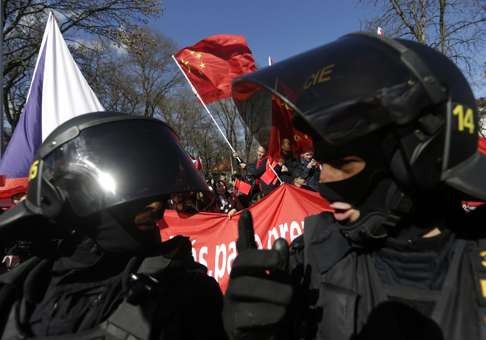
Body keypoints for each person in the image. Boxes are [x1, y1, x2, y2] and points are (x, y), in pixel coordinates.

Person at [225, 32, 486, 339]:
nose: (322, 182)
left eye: (343, 162)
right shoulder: (310, 260)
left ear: (421, 160)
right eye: (321, 163)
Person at [0, 112, 226, 339]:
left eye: (159, 189)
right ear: (65, 196)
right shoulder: (15, 289)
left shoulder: (183, 293)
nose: (158, 205)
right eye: (137, 187)